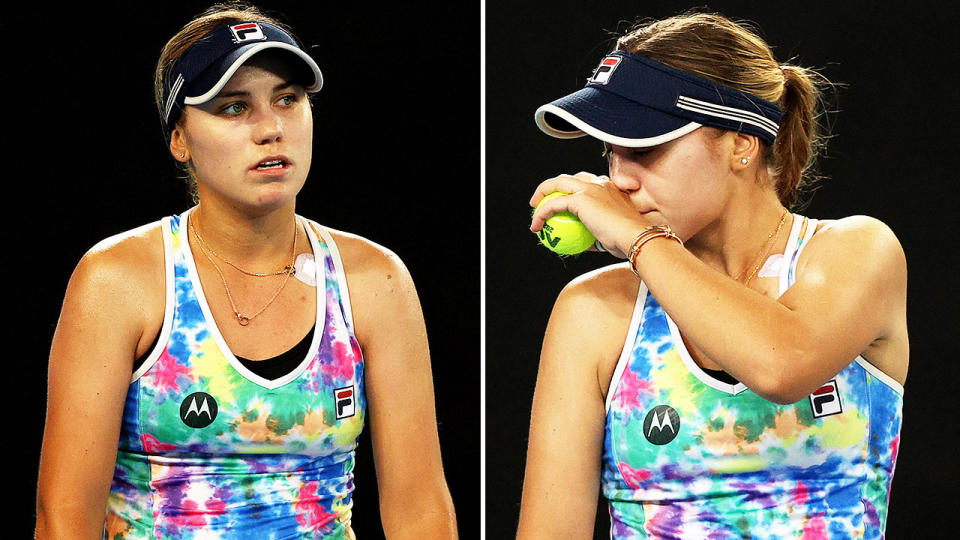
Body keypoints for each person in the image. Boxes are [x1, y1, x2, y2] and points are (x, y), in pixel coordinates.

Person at [34, 4, 456, 538]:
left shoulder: (376, 280)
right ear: (179, 140)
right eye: (234, 108)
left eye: (288, 99)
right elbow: (64, 519)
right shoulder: (117, 280)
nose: (271, 128)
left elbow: (421, 512)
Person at [517, 12, 907, 539]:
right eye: (610, 151)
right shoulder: (593, 308)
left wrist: (637, 240)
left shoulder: (857, 252)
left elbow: (782, 366)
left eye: (644, 148)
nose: (618, 179)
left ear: (741, 144)